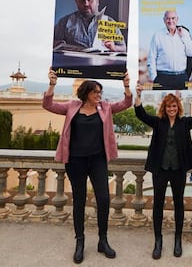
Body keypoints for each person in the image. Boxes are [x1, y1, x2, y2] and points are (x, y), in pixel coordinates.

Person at [42, 68, 132, 264]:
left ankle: (103, 240)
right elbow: (48, 104)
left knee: (104, 199)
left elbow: (127, 103)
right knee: (79, 201)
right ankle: (80, 242)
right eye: (95, 93)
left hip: (98, 160)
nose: (99, 96)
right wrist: (52, 84)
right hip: (76, 161)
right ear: (86, 94)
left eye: (100, 93)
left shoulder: (105, 107)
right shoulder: (72, 107)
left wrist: (126, 85)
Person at [134, 83, 192, 259]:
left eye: (174, 106)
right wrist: (138, 95)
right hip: (160, 169)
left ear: (178, 107)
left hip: (178, 169)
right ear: (164, 108)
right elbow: (140, 114)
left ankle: (177, 240)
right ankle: (158, 241)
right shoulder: (158, 122)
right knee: (158, 205)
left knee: (178, 205)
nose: (171, 109)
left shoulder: (184, 123)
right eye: (168, 106)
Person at [54, 0, 126, 52]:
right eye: (81, 1)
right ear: (76, 3)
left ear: (97, 1)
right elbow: (52, 43)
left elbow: (123, 47)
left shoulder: (109, 22)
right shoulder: (64, 22)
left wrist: (114, 47)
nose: (86, 4)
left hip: (102, 63)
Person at [146, 10, 192, 90]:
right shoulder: (157, 35)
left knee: (180, 102)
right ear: (164, 20)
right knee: (160, 102)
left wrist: (182, 36)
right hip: (162, 77)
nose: (170, 21)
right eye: (168, 18)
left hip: (181, 78)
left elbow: (191, 53)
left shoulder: (184, 32)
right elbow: (151, 58)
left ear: (177, 19)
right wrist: (154, 78)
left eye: (173, 18)